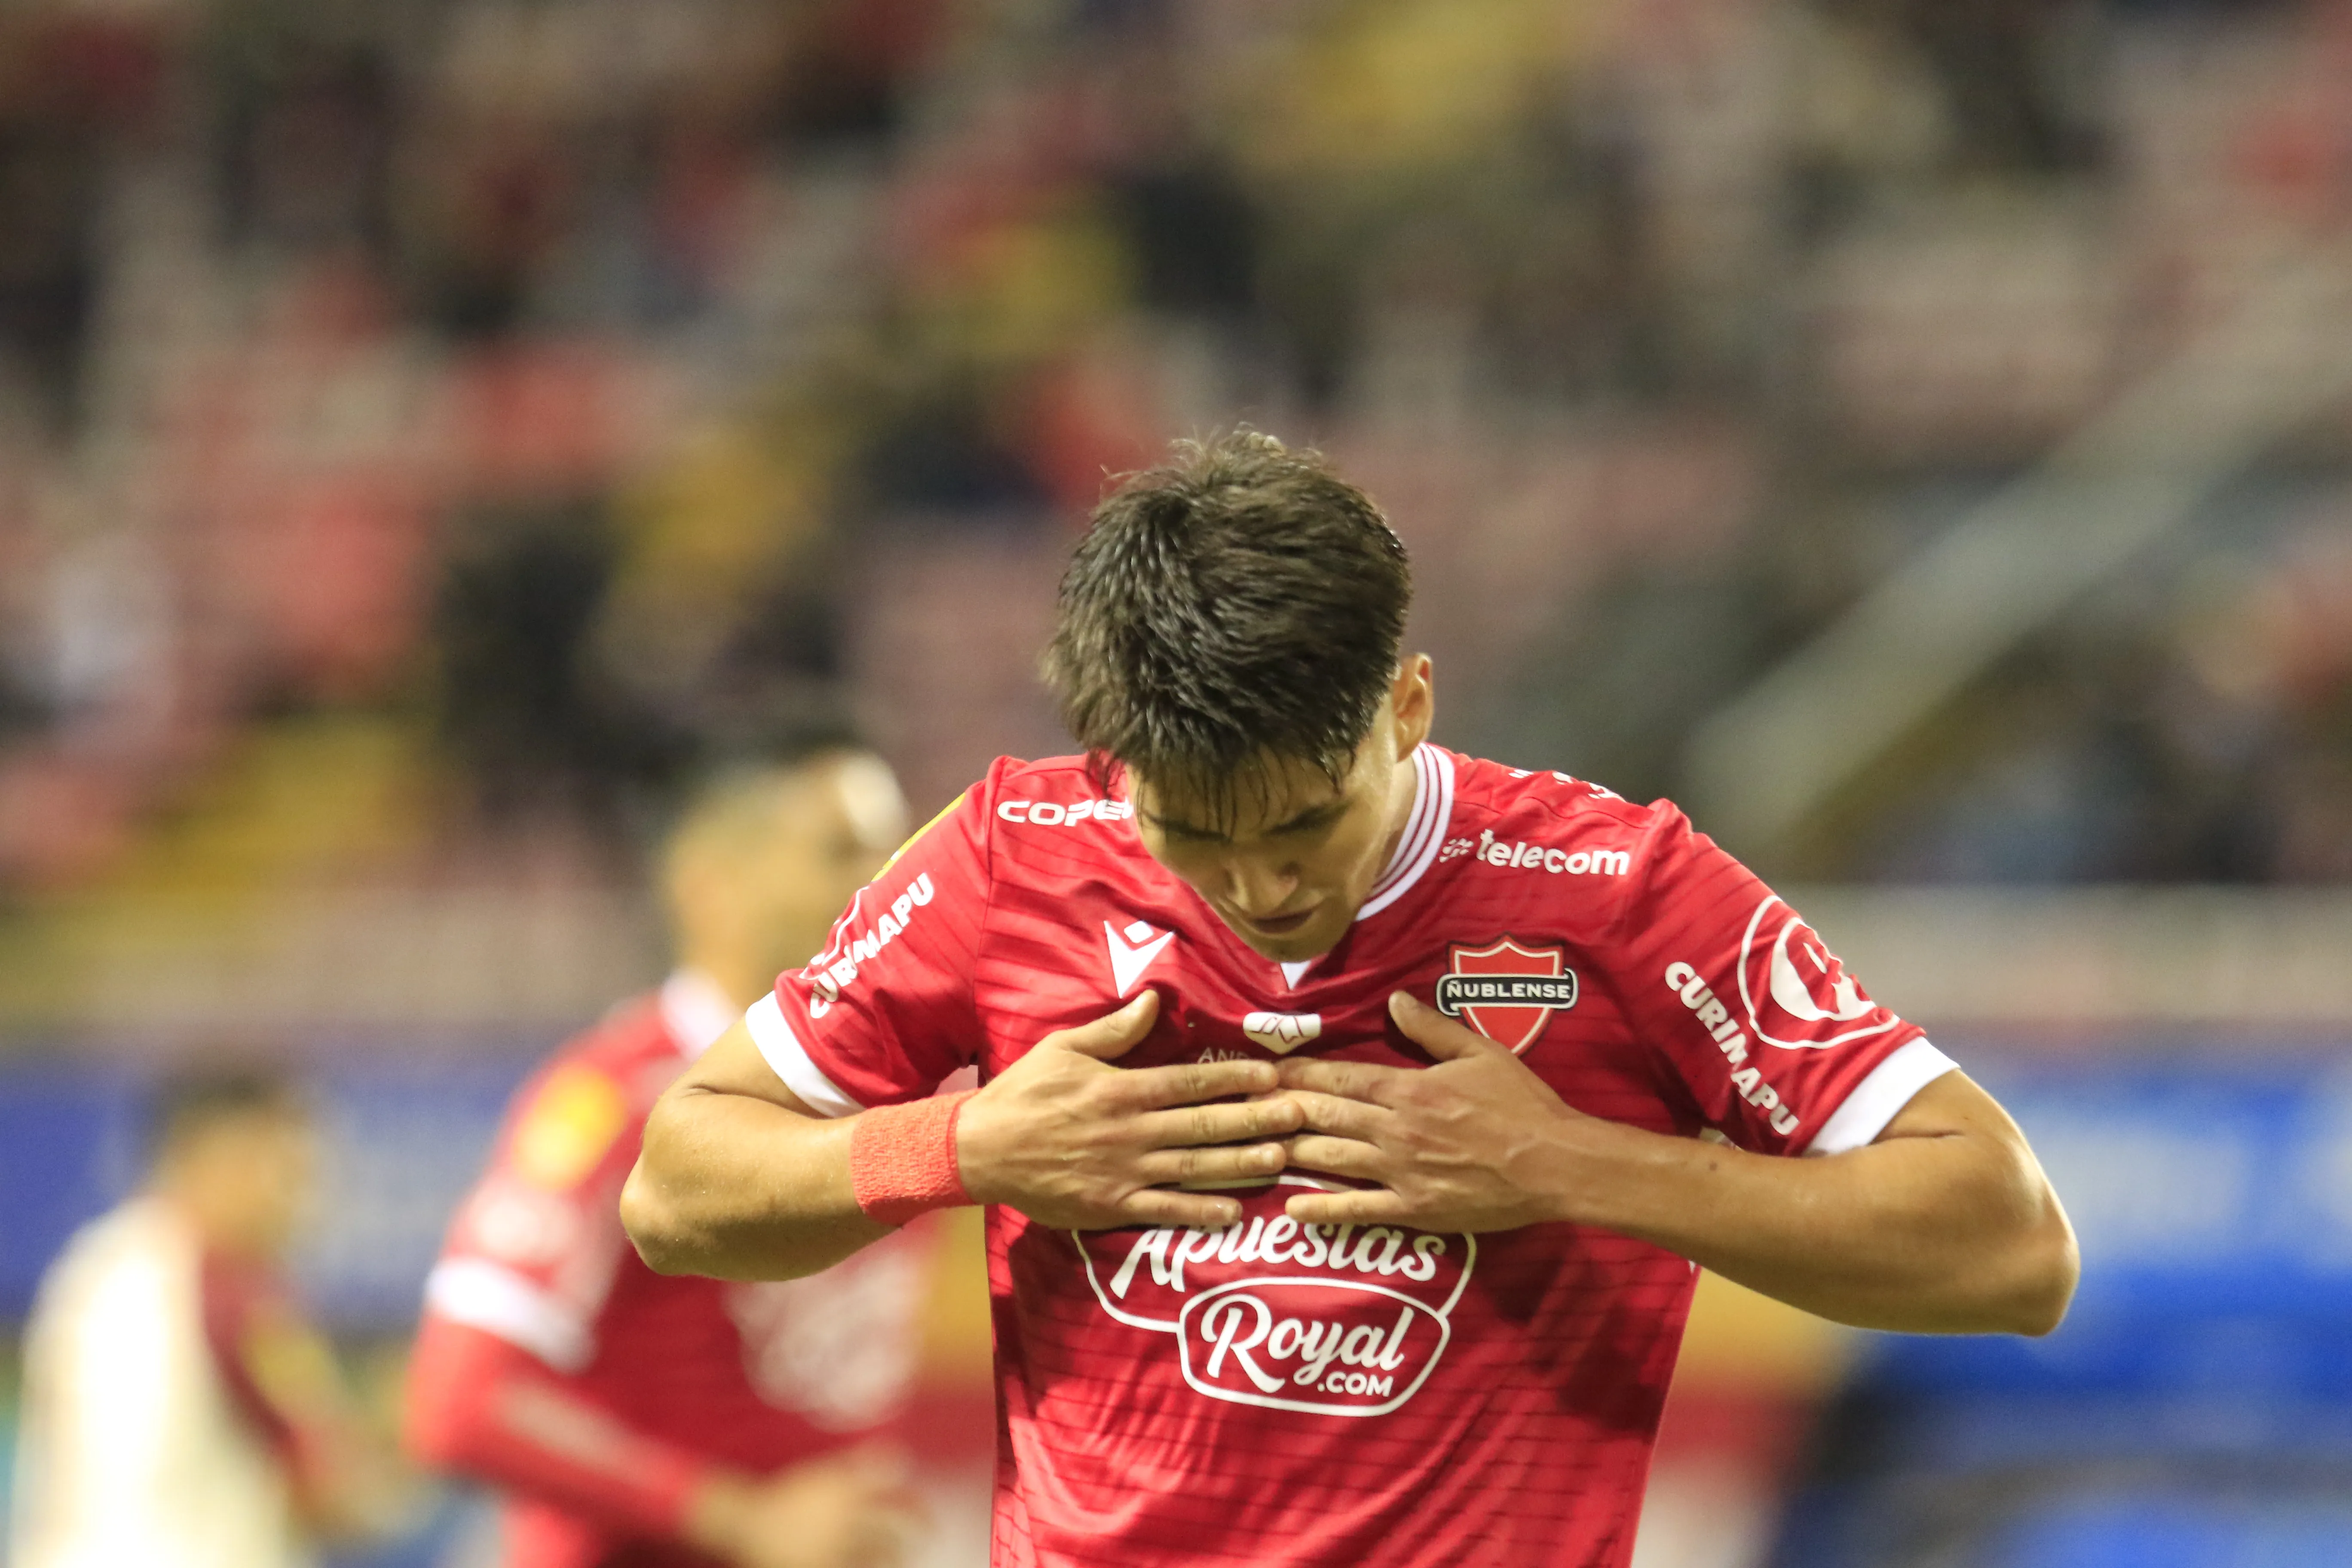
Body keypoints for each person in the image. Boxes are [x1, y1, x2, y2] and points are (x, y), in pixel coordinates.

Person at [619, 432, 2080, 1568]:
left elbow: (2012, 1245)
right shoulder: (1011, 860)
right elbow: (678, 1182)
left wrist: (1565, 1162)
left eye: (1304, 825)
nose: (1254, 887)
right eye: (1193, 834)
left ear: (1407, 704)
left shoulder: (1613, 888)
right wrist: (959, 1151)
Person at [404, 736, 934, 1568]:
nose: (884, 881)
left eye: (893, 846)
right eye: (839, 851)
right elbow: (460, 1401)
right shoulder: (615, 1098)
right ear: (709, 885)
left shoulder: (904, 1086)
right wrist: (740, 1520)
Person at [11, 1071, 402, 1568]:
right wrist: (402, 1437)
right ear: (224, 1159)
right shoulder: (230, 1290)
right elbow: (331, 1492)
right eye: (288, 1168)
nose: (302, 1200)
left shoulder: (93, 1270)